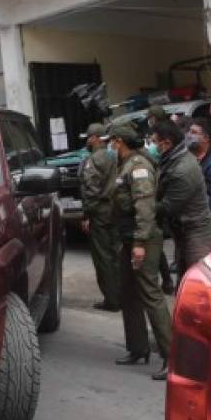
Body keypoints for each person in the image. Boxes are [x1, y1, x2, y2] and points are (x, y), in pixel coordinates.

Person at [107, 123, 172, 380]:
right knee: (128, 293)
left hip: (142, 238)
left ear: (119, 141)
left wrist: (139, 244)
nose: (110, 146)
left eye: (112, 142)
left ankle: (171, 356)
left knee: (149, 293)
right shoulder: (125, 165)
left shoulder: (139, 167)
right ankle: (137, 348)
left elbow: (145, 208)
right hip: (128, 236)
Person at [150, 121, 211, 275]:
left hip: (198, 237)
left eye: (154, 142)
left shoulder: (182, 169)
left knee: (199, 286)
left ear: (167, 143)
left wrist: (140, 205)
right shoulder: (171, 159)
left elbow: (168, 207)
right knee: (185, 285)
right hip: (184, 232)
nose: (151, 146)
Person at [79, 123, 120, 311]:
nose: (87, 141)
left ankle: (112, 300)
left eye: (88, 137)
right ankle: (121, 295)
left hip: (100, 212)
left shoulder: (93, 160)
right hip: (115, 210)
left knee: (103, 257)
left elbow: (90, 190)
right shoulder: (114, 157)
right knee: (116, 255)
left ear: (95, 138)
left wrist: (87, 214)